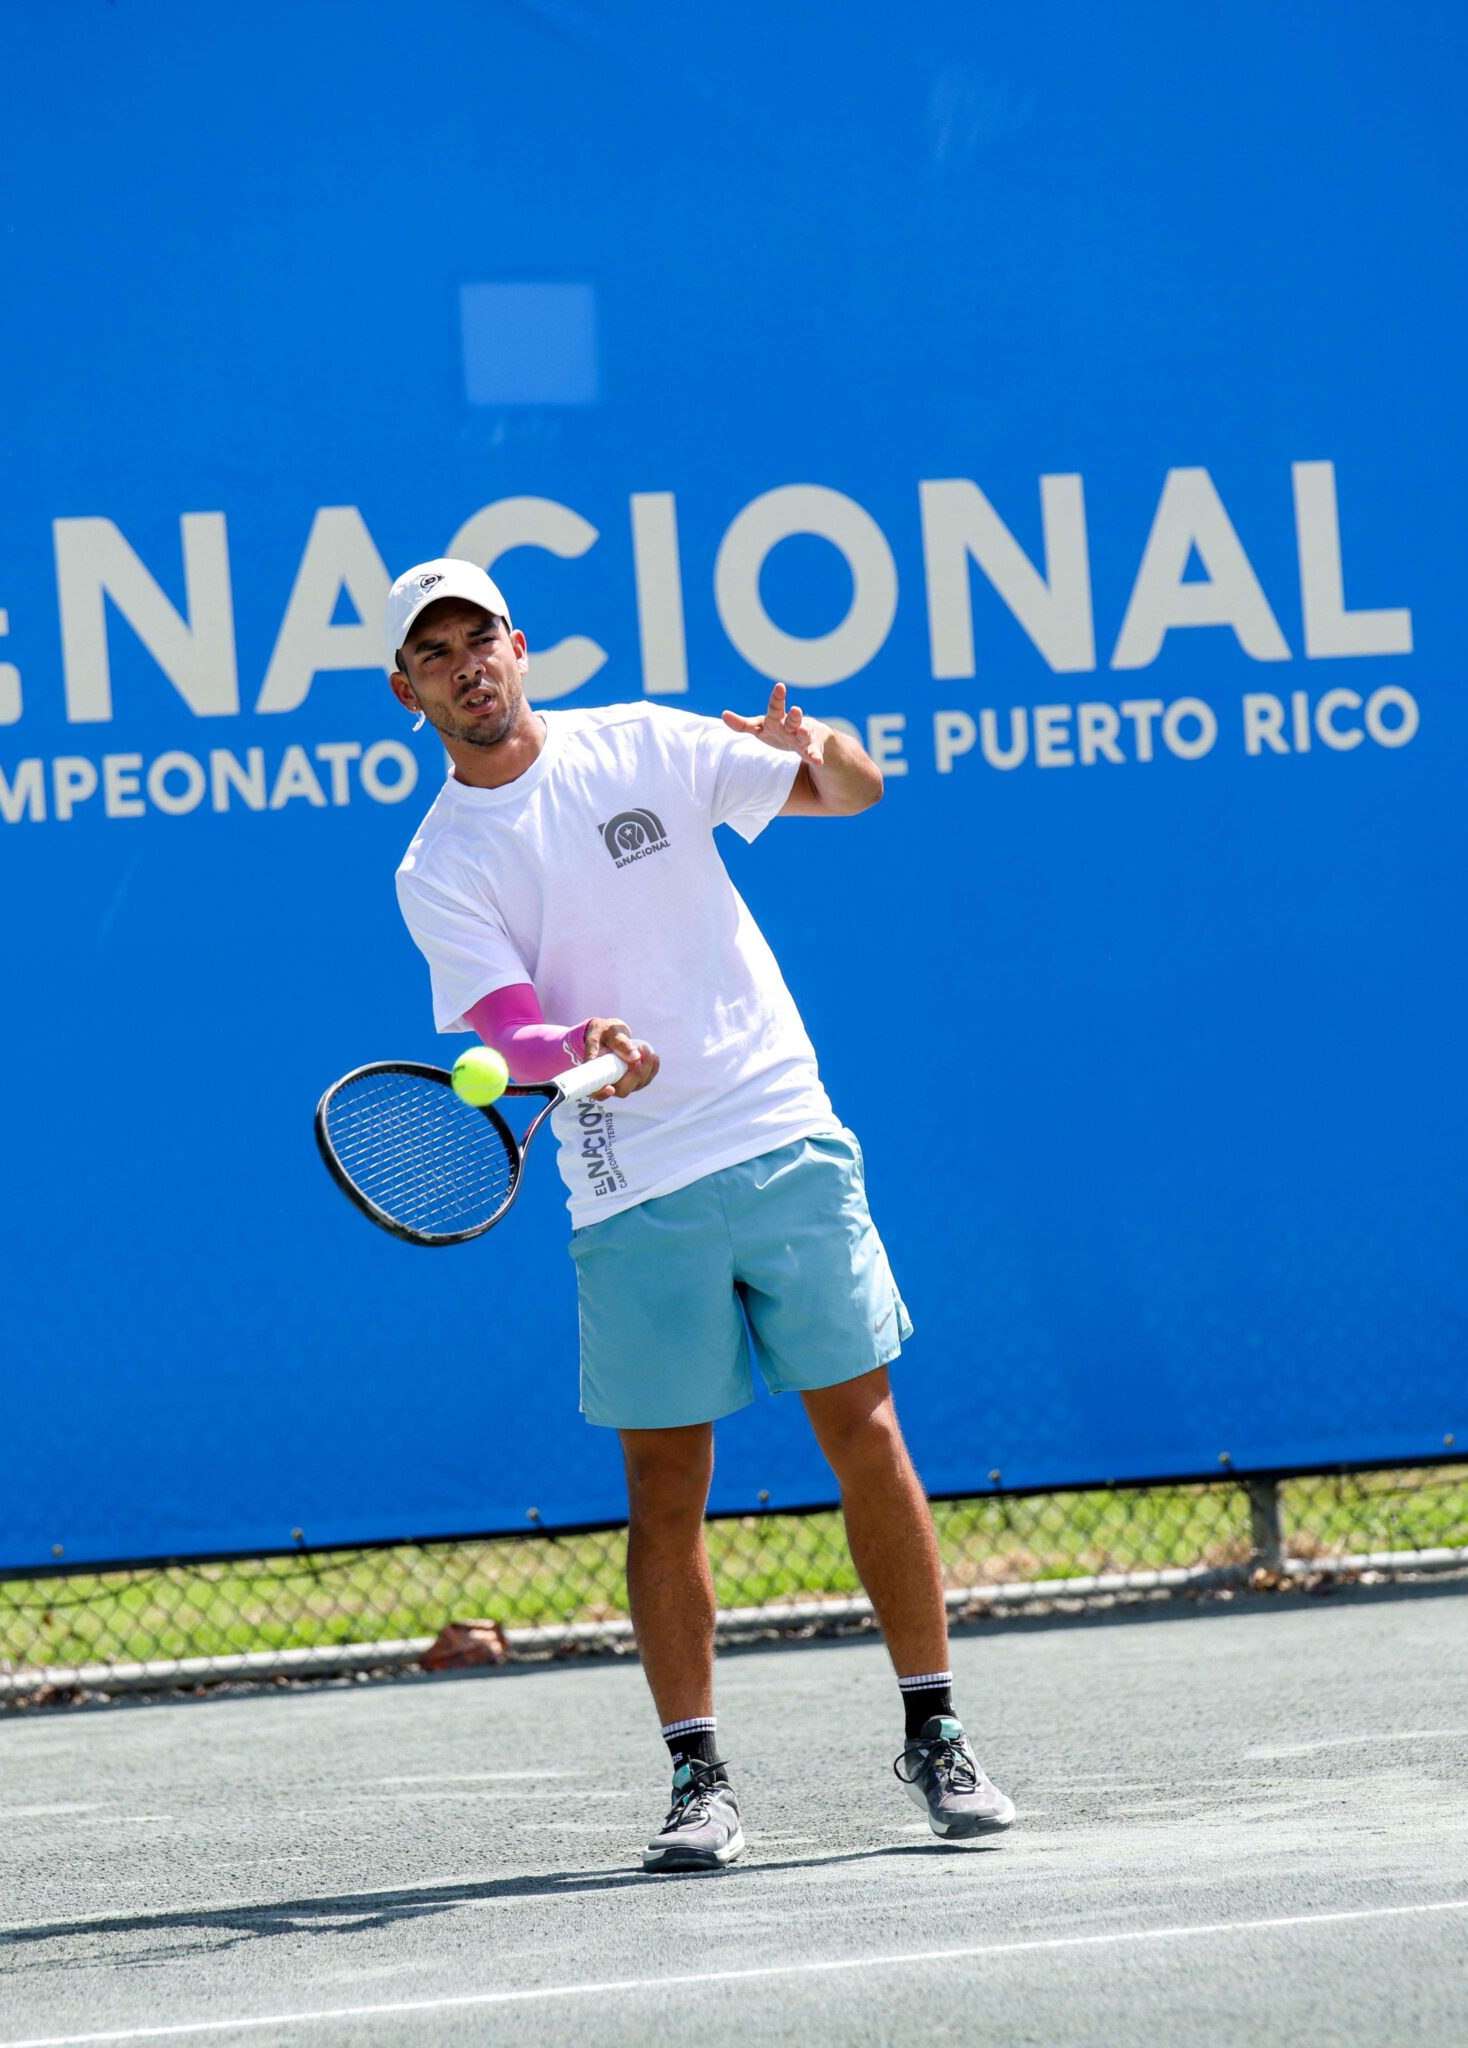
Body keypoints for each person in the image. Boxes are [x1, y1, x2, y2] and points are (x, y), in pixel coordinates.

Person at [384, 558, 1016, 1872]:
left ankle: (936, 1734)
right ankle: (699, 1779)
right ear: (410, 691)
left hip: (780, 1127)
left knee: (869, 1430)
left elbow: (853, 791)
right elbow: (510, 1030)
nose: (467, 666)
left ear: (520, 645)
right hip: (629, 1186)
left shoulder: (647, 745)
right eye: (436, 654)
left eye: (480, 637)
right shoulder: (439, 863)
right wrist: (575, 1044)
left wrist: (818, 746)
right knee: (664, 1487)